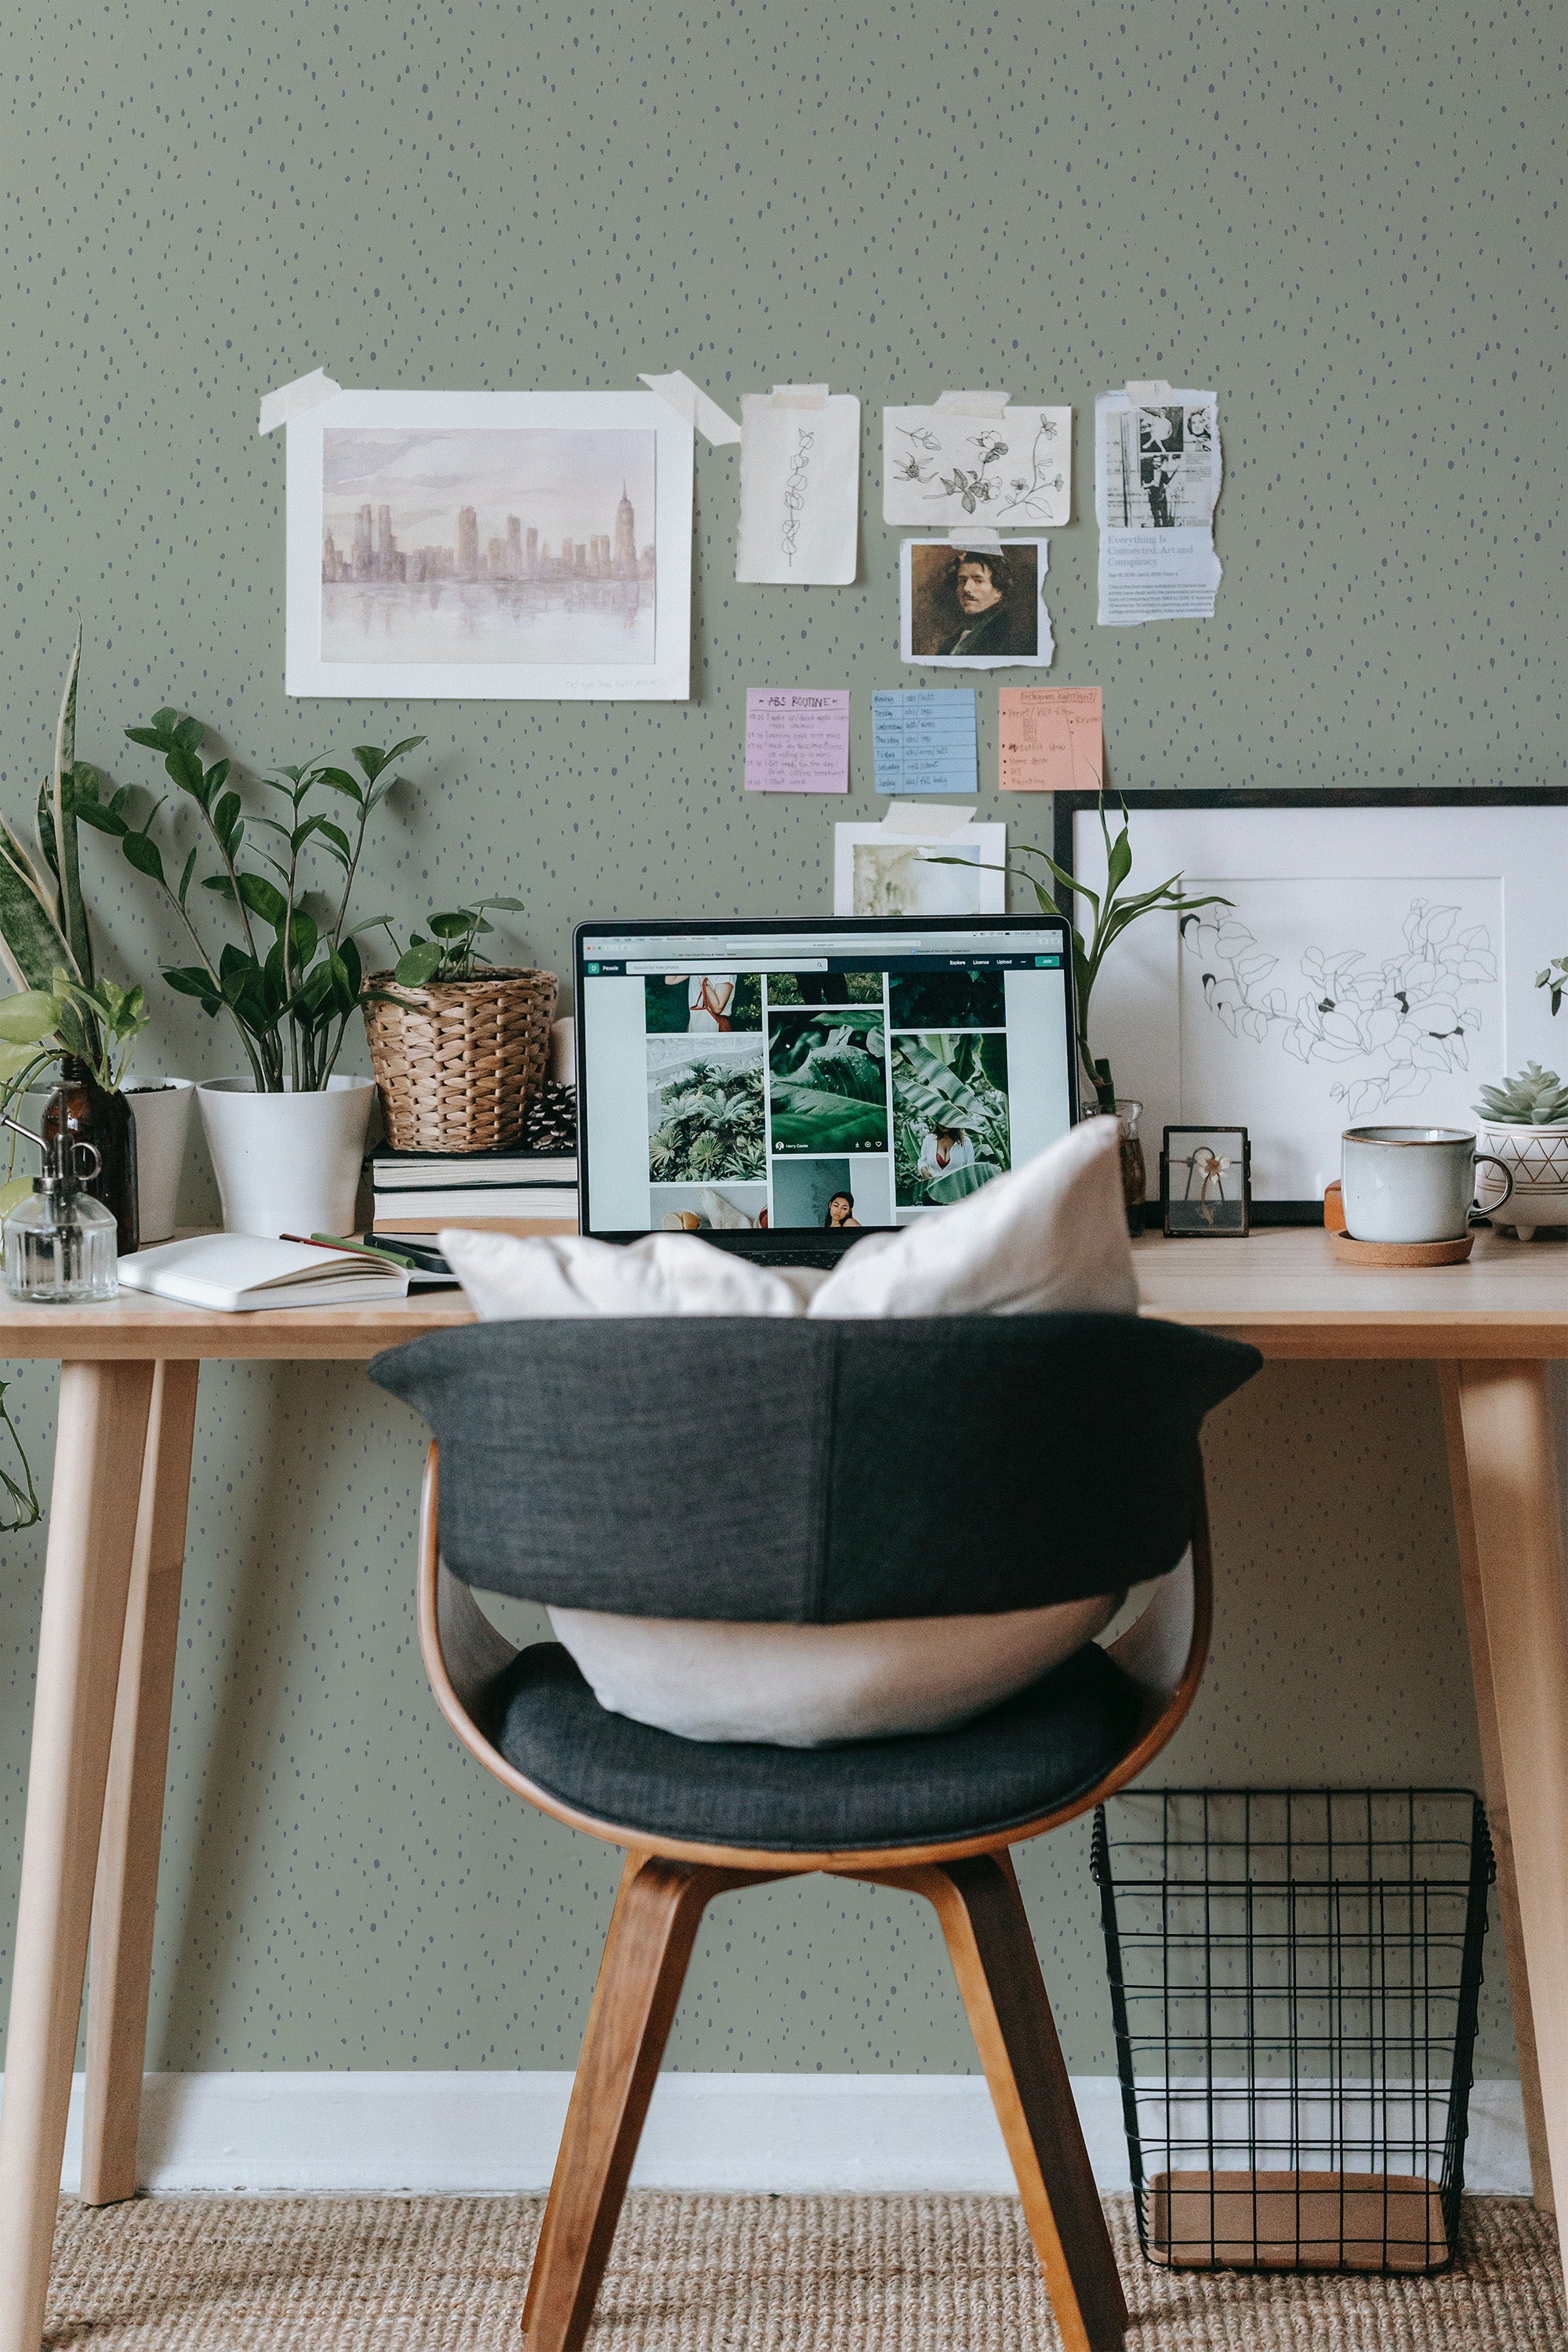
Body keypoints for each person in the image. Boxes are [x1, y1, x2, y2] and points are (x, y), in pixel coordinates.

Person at [934, 548, 1033, 660]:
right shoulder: (956, 638)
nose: (966, 588)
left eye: (978, 581)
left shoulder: (1008, 636)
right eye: (962, 581)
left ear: (998, 590)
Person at [664, 971, 735, 1030]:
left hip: (716, 1027)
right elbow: (670, 980)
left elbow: (717, 1008)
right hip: (695, 1025)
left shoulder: (724, 969)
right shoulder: (696, 965)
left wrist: (703, 980)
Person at [916, 1122, 976, 1186]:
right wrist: (923, 1168)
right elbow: (923, 1160)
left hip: (957, 1188)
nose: (943, 1124)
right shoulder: (929, 1140)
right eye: (940, 1120)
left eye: (946, 1120)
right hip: (933, 1186)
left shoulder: (965, 1143)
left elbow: (970, 1170)